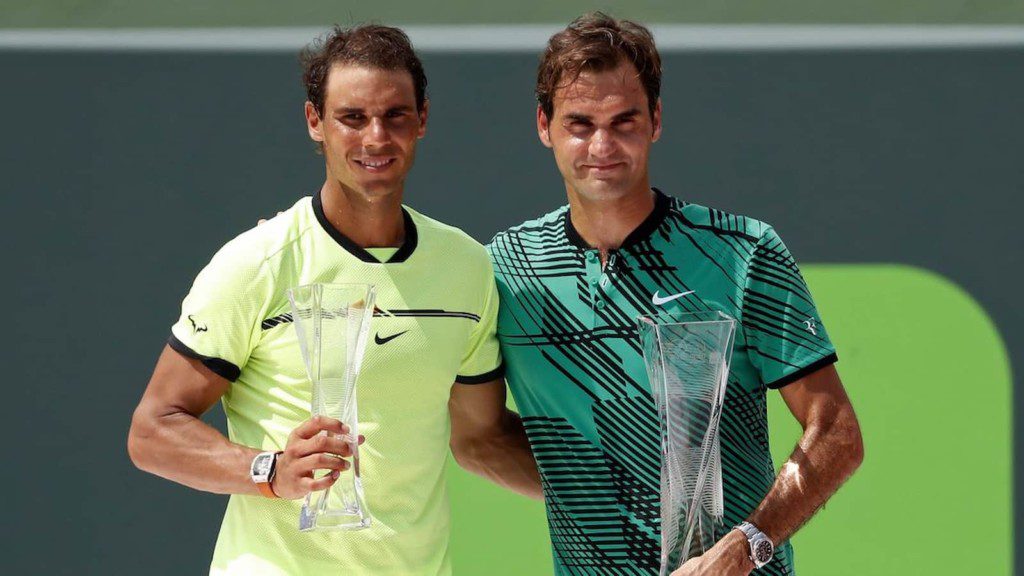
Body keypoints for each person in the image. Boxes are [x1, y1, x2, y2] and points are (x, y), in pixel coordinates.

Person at [127, 24, 540, 576]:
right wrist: (268, 470)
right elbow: (152, 430)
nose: (375, 138)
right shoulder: (258, 262)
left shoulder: (465, 268)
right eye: (352, 117)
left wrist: (630, 503)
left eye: (395, 116)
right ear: (314, 123)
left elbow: (482, 439)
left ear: (422, 120)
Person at [487, 13, 863, 576]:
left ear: (656, 120)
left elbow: (836, 433)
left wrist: (747, 545)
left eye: (624, 121)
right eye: (580, 123)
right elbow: (476, 435)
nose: (602, 144)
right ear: (544, 125)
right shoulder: (505, 269)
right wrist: (599, 487)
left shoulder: (744, 251)